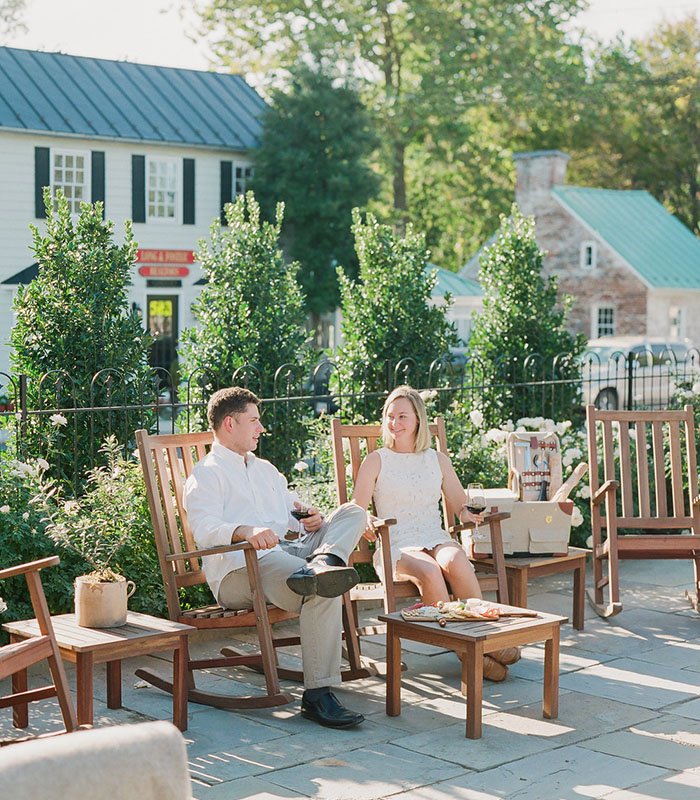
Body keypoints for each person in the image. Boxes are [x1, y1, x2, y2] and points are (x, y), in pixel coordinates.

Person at [183, 386, 368, 728]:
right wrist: (245, 531)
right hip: (241, 570)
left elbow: (289, 512)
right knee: (321, 585)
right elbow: (205, 528)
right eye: (254, 421)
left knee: (352, 512)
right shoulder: (206, 473)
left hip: (285, 556)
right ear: (229, 424)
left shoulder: (265, 469)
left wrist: (311, 516)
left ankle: (325, 560)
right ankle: (317, 695)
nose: (260, 428)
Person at [351, 385, 519, 682]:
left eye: (402, 416)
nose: (395, 423)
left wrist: (469, 513)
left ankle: (485, 638)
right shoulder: (376, 460)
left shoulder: (436, 459)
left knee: (456, 561)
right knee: (430, 571)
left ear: (418, 419)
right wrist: (365, 517)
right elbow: (357, 508)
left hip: (434, 535)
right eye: (390, 416)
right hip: (397, 542)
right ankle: (469, 653)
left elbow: (459, 505)